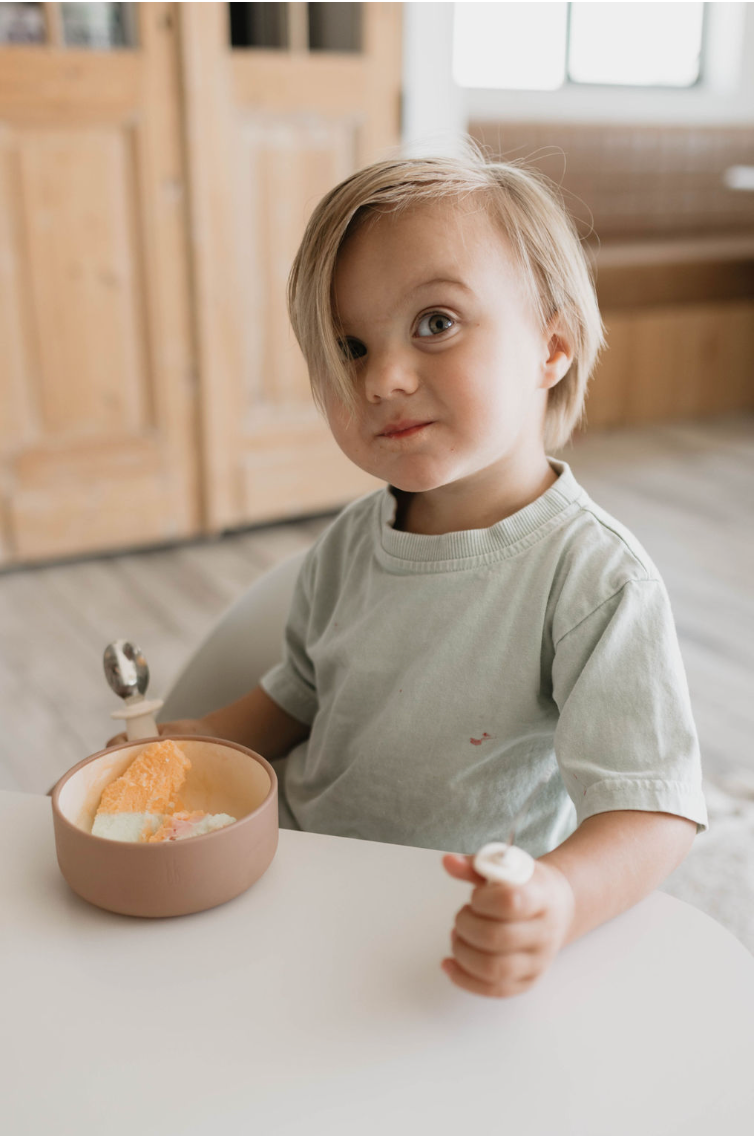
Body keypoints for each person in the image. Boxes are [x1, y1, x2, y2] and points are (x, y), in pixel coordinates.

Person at [114, 142, 708, 998]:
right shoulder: (352, 542)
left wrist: (560, 898)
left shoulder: (593, 579)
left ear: (551, 349)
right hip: (295, 873)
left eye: (436, 322)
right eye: (349, 346)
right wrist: (175, 750)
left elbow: (650, 807)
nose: (384, 377)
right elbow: (296, 697)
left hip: (444, 924)